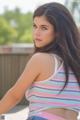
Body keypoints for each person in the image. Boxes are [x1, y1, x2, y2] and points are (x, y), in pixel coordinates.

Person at [0, 2, 80, 120]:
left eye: (44, 28)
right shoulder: (76, 64)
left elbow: (14, 96)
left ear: (59, 31)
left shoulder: (41, 59)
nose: (36, 33)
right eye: (35, 26)